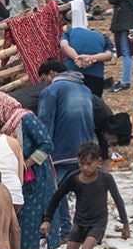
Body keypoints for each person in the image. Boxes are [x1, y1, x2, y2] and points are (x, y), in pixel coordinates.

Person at [42, 143, 131, 249]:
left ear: (98, 161)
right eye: (81, 163)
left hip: (98, 223)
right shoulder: (74, 178)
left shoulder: (106, 178)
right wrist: (47, 220)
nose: (85, 168)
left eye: (89, 164)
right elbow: (56, 198)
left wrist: (125, 225)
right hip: (79, 223)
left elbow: (118, 200)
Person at [0, 91, 55, 249]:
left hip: (37, 177)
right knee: (20, 220)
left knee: (30, 219)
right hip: (22, 178)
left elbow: (47, 145)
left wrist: (27, 163)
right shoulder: (7, 125)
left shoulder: (26, 118)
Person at [38, 60, 96, 234]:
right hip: (84, 147)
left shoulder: (51, 90)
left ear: (52, 74)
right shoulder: (85, 89)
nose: (45, 83)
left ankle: (66, 229)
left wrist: (42, 150)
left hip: (61, 149)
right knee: (83, 188)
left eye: (44, 78)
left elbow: (45, 122)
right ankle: (86, 228)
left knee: (60, 190)